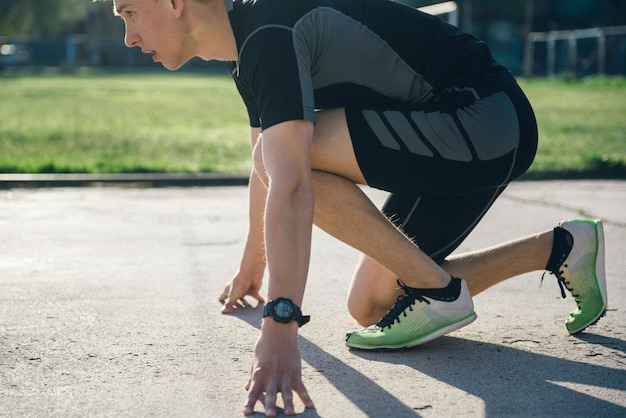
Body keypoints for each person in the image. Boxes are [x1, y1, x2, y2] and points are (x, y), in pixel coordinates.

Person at [114, 0, 608, 415]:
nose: (129, 36)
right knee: (371, 305)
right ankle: (561, 247)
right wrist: (252, 269)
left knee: (286, 154)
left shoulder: (269, 34)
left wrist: (281, 324)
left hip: (484, 119)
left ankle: (438, 292)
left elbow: (289, 184)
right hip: (454, 133)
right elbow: (265, 164)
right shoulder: (249, 50)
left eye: (130, 13)